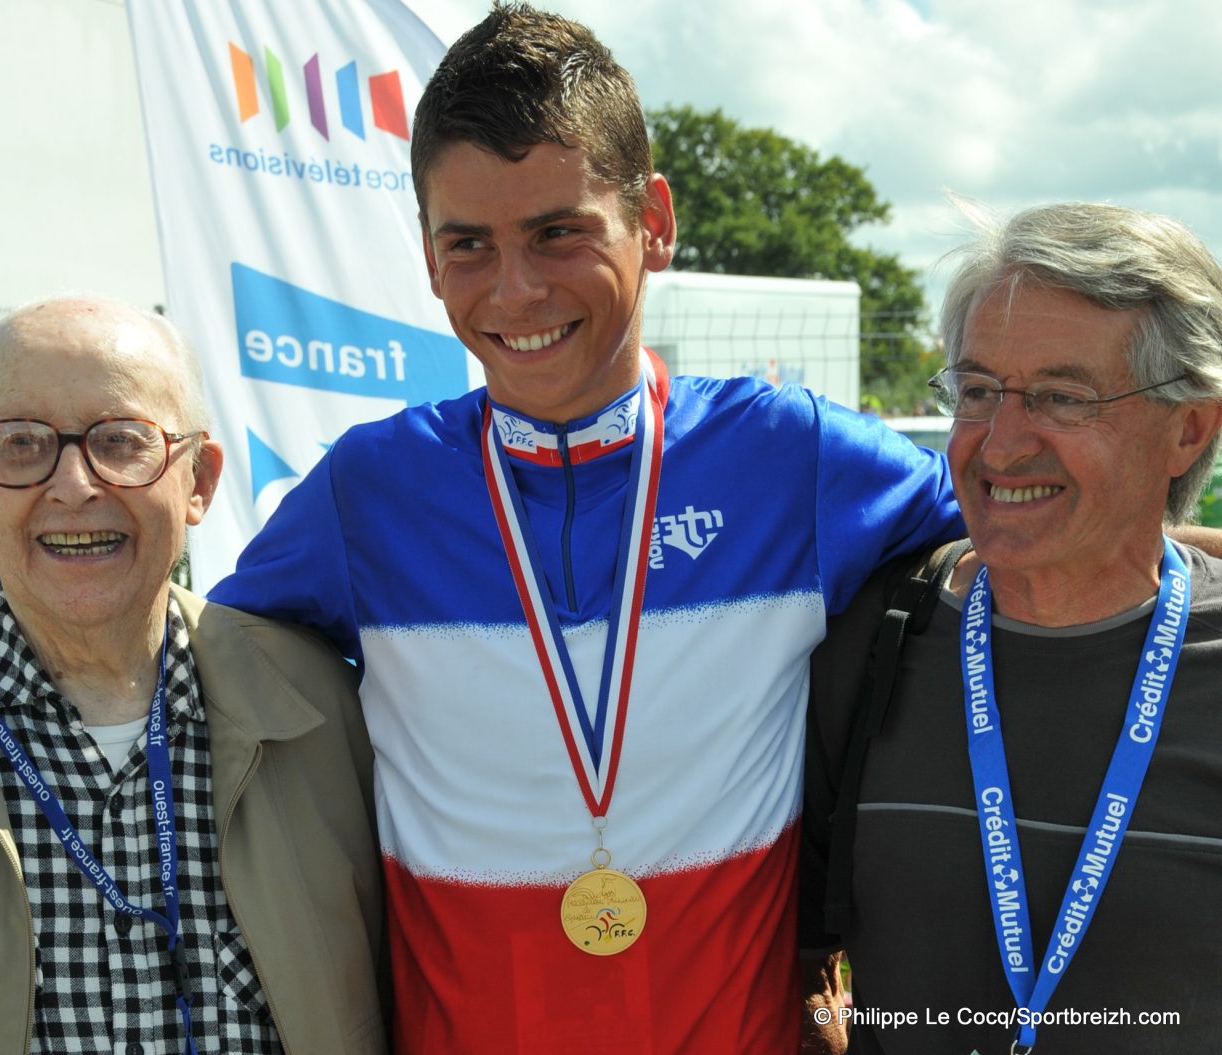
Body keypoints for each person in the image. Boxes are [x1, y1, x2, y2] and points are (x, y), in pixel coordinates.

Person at [209, 4, 962, 1052]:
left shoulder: (790, 460)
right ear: (425, 255)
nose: (515, 288)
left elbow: (1048, 542)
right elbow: (188, 668)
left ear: (652, 219)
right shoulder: (366, 495)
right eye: (466, 244)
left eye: (557, 232)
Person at [801, 201, 1222, 1053]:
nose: (999, 445)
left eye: (1063, 398)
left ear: (1190, 427)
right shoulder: (872, 639)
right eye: (979, 390)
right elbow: (799, 961)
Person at [0, 295, 388, 1054]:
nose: (75, 483)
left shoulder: (328, 709)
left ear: (199, 481)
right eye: (21, 443)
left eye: (121, 441)